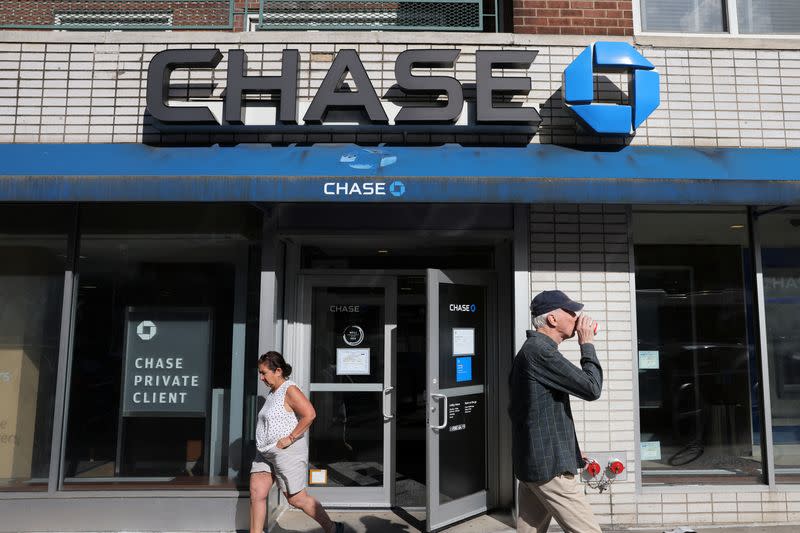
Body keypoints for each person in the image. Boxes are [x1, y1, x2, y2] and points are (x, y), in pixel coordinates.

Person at [509, 290, 604, 533]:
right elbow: (591, 388)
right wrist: (587, 345)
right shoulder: (541, 351)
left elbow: (535, 410)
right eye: (570, 312)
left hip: (534, 460)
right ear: (552, 319)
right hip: (549, 467)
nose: (577, 317)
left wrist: (569, 447)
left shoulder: (532, 350)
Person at [250, 351, 344, 533]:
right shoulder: (272, 392)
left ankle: (332, 528)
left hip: (286, 451)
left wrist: (290, 438)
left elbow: (310, 414)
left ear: (277, 371)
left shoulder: (289, 389)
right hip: (264, 452)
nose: (261, 378)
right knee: (256, 493)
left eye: (264, 373)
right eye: (260, 373)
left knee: (296, 499)